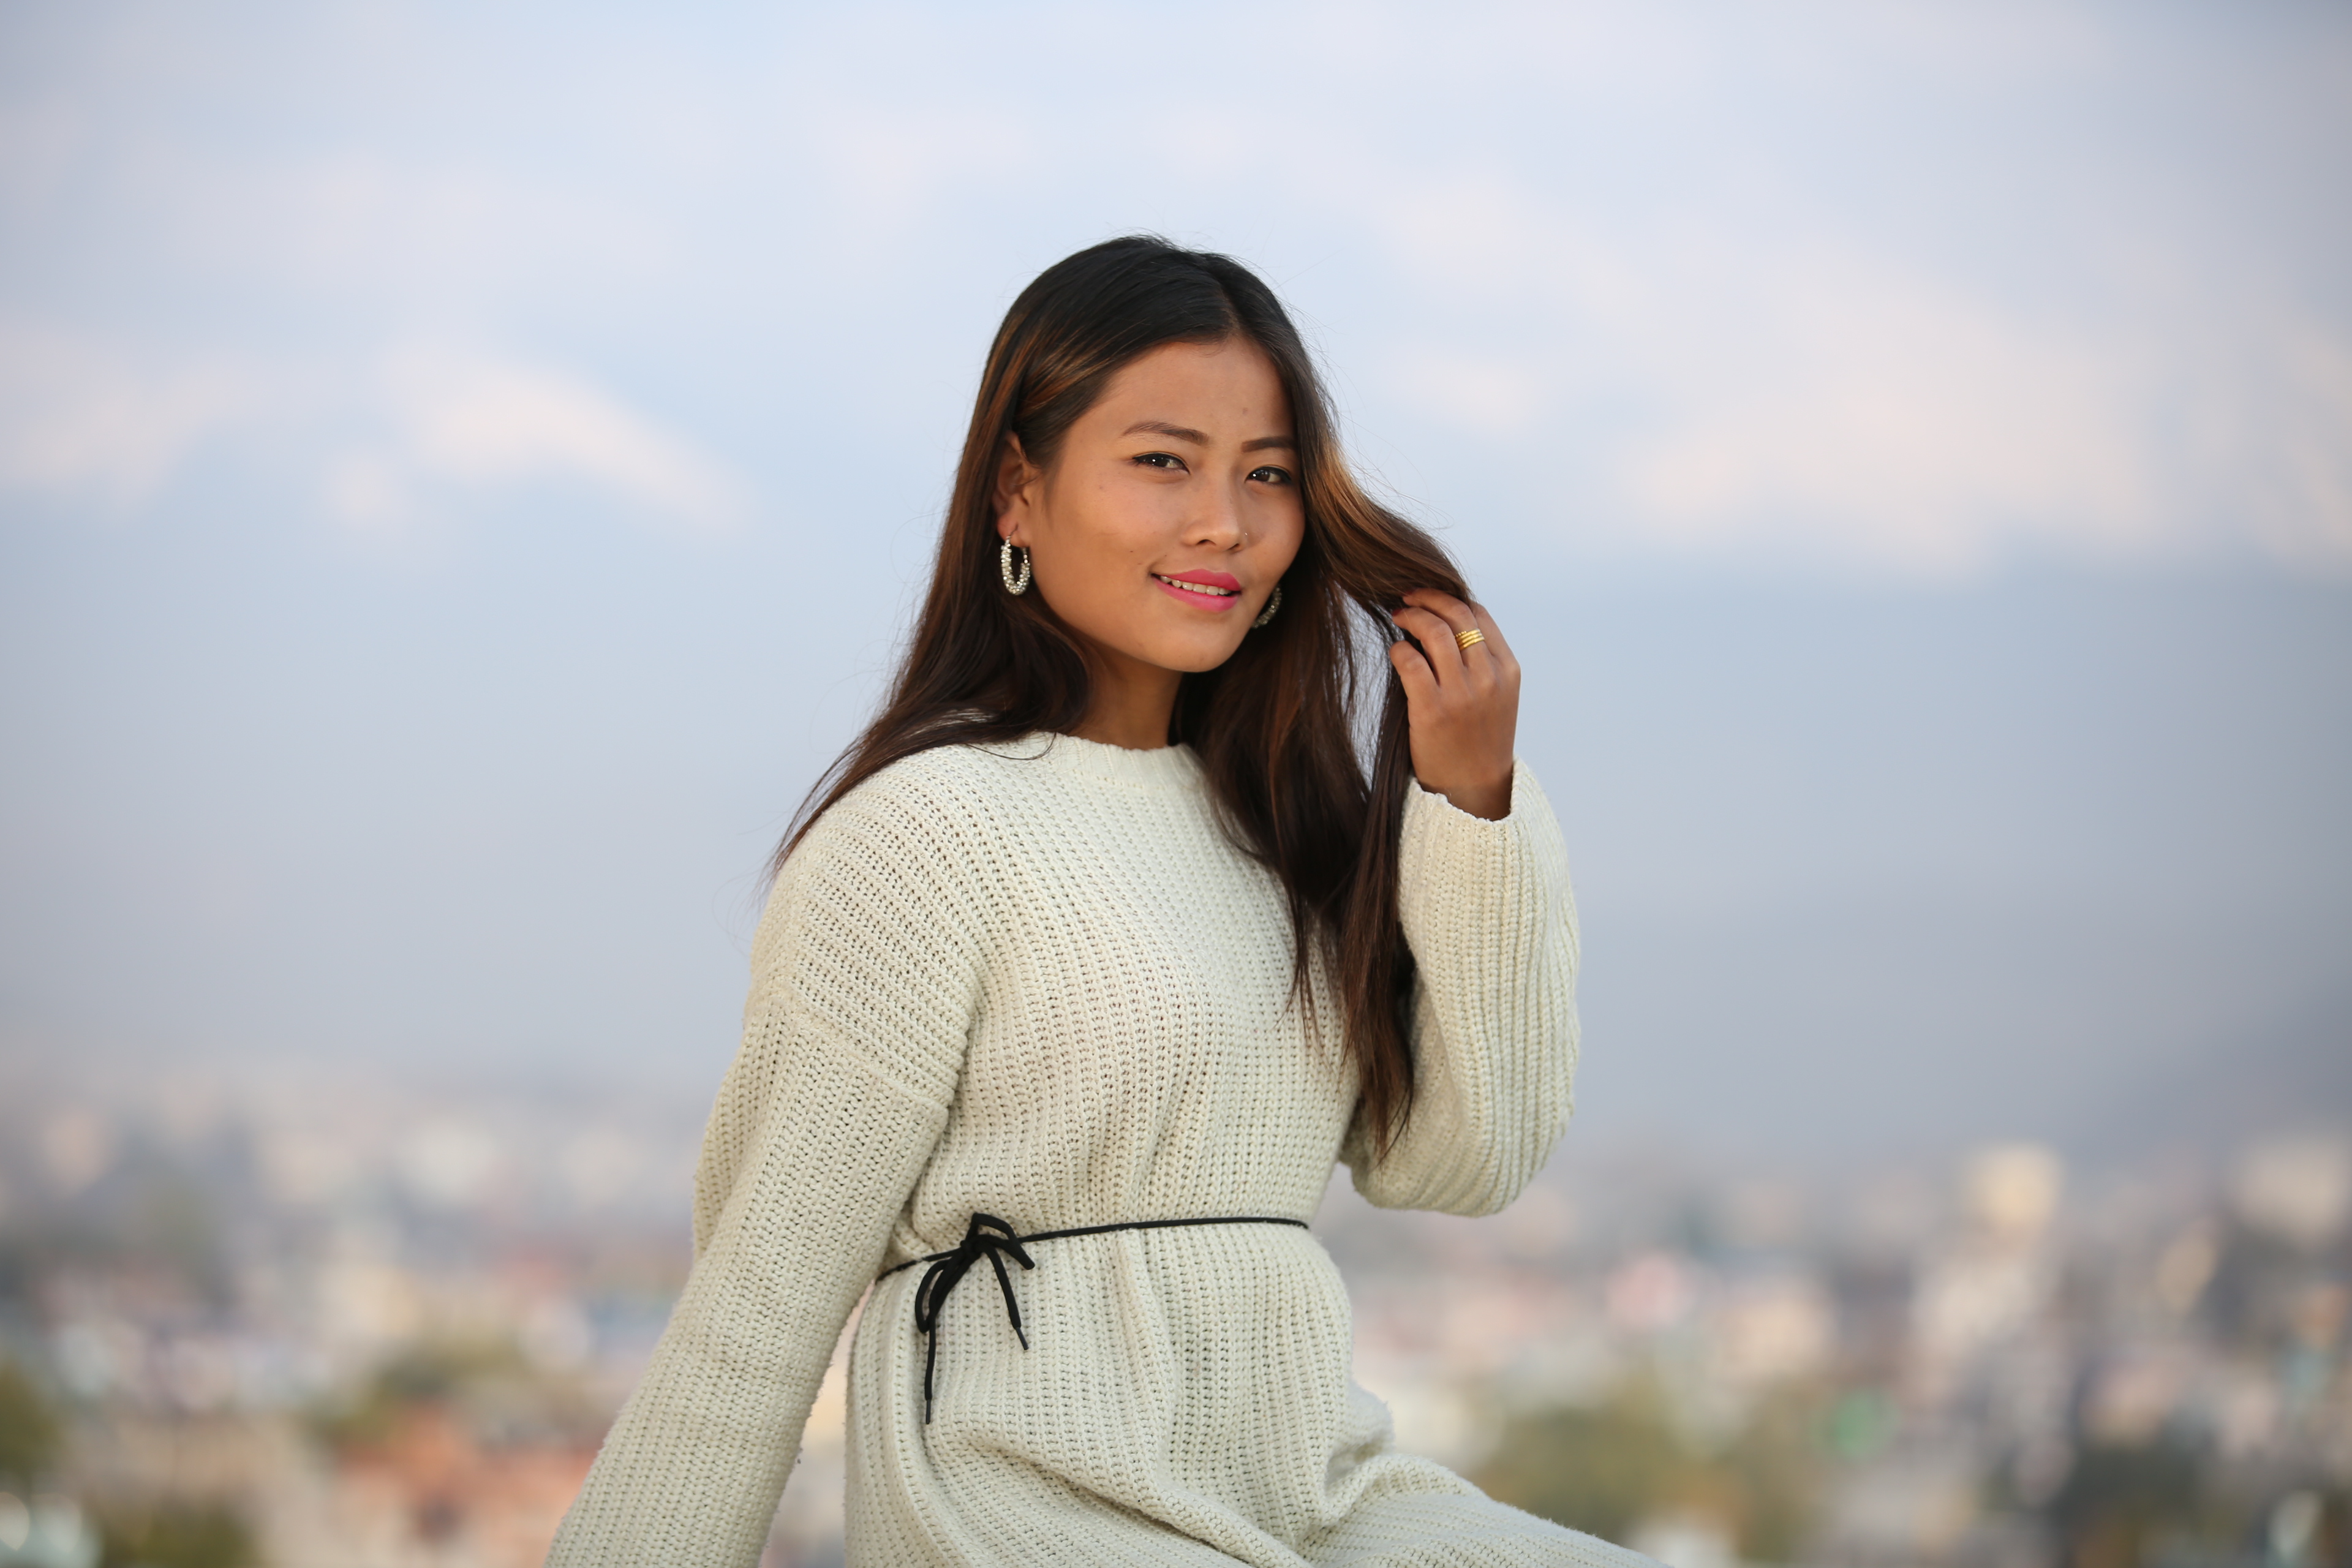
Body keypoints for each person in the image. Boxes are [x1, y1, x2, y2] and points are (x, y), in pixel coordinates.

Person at [547, 236, 1643, 1567]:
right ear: (1018, 490)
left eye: (1269, 474)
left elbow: (1466, 1158)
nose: (1224, 523)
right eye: (1164, 461)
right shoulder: (924, 831)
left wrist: (1472, 800)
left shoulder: (1284, 832)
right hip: (1032, 1511)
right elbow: (756, 1316)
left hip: (1314, 1497)